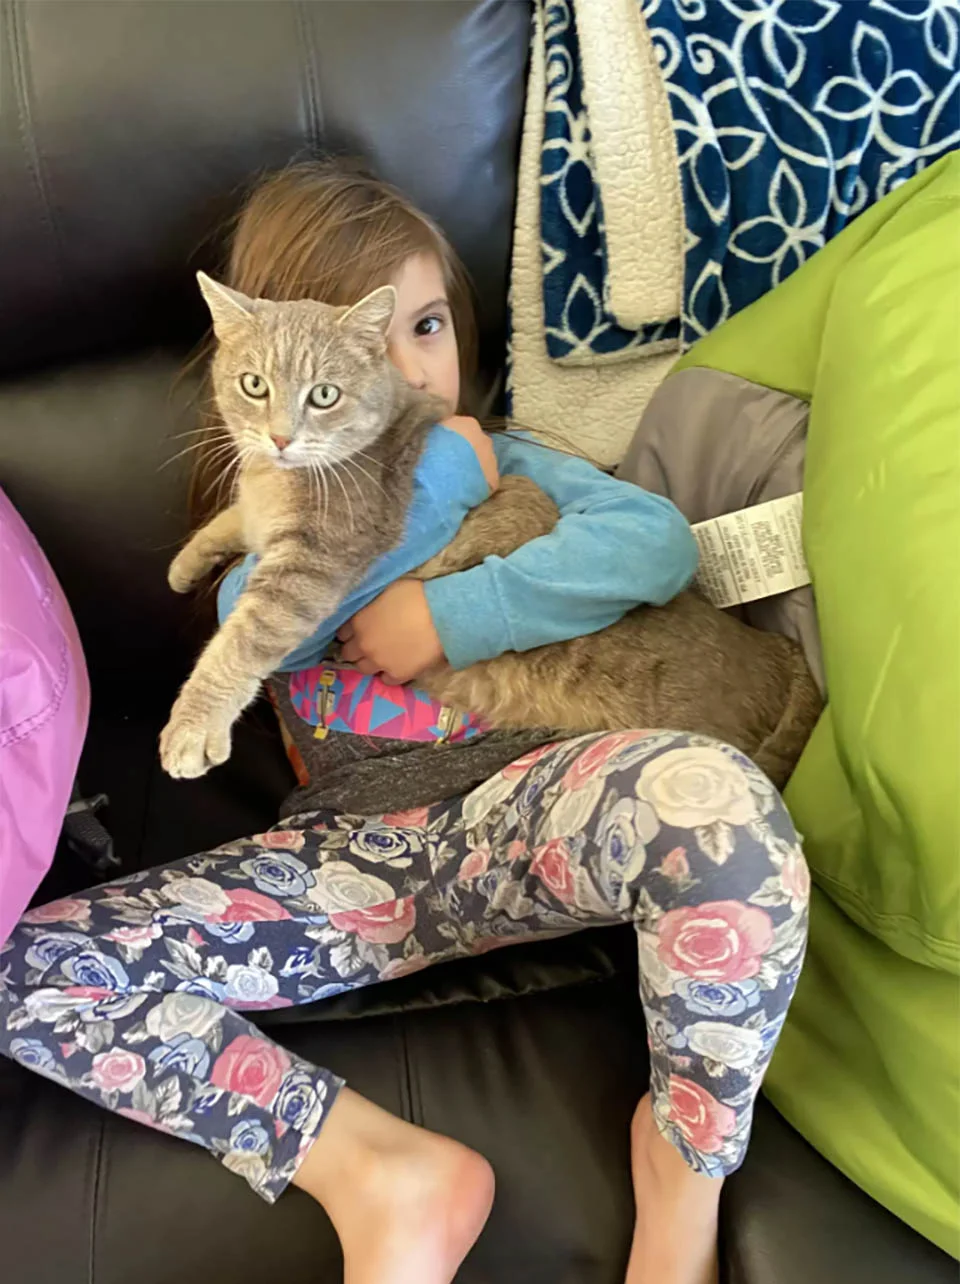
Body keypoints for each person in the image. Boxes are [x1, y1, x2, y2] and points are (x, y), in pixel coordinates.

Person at [0, 162, 810, 1284]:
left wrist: (454, 608)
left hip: (535, 813)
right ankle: (377, 1173)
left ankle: (684, 1175)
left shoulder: (504, 457)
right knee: (29, 969)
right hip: (359, 855)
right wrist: (422, 490)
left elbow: (654, 546)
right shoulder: (283, 496)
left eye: (421, 325)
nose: (397, 367)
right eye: (343, 356)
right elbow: (258, 624)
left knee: (719, 813)